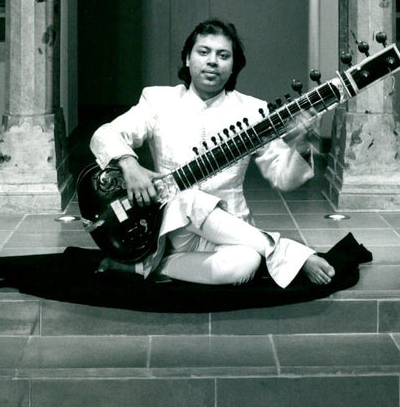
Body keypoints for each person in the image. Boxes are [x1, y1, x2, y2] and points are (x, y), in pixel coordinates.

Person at [89, 18, 335, 288]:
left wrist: (303, 140)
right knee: (189, 199)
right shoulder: (158, 101)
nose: (212, 61)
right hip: (172, 227)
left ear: (233, 66)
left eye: (223, 55)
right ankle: (288, 253)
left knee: (245, 264)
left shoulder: (253, 112)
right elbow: (105, 134)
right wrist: (130, 165)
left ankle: (143, 267)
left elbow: (283, 177)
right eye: (203, 52)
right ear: (187, 59)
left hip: (230, 229)